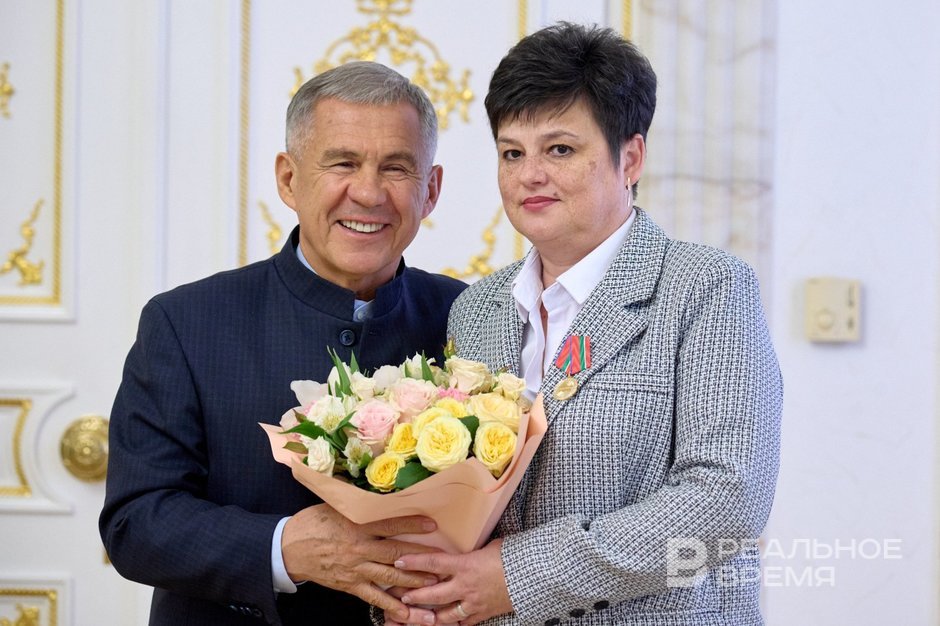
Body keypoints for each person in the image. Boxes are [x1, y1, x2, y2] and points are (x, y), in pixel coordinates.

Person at [388, 23, 782, 626]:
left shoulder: (706, 288)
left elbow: (727, 503)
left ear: (631, 158)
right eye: (512, 153)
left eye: (560, 150)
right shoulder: (477, 308)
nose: (529, 175)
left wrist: (518, 578)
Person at [100, 61, 466, 625]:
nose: (368, 193)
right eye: (342, 163)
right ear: (289, 179)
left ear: (431, 190)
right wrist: (283, 548)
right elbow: (135, 524)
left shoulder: (468, 317)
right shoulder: (184, 321)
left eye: (396, 168)